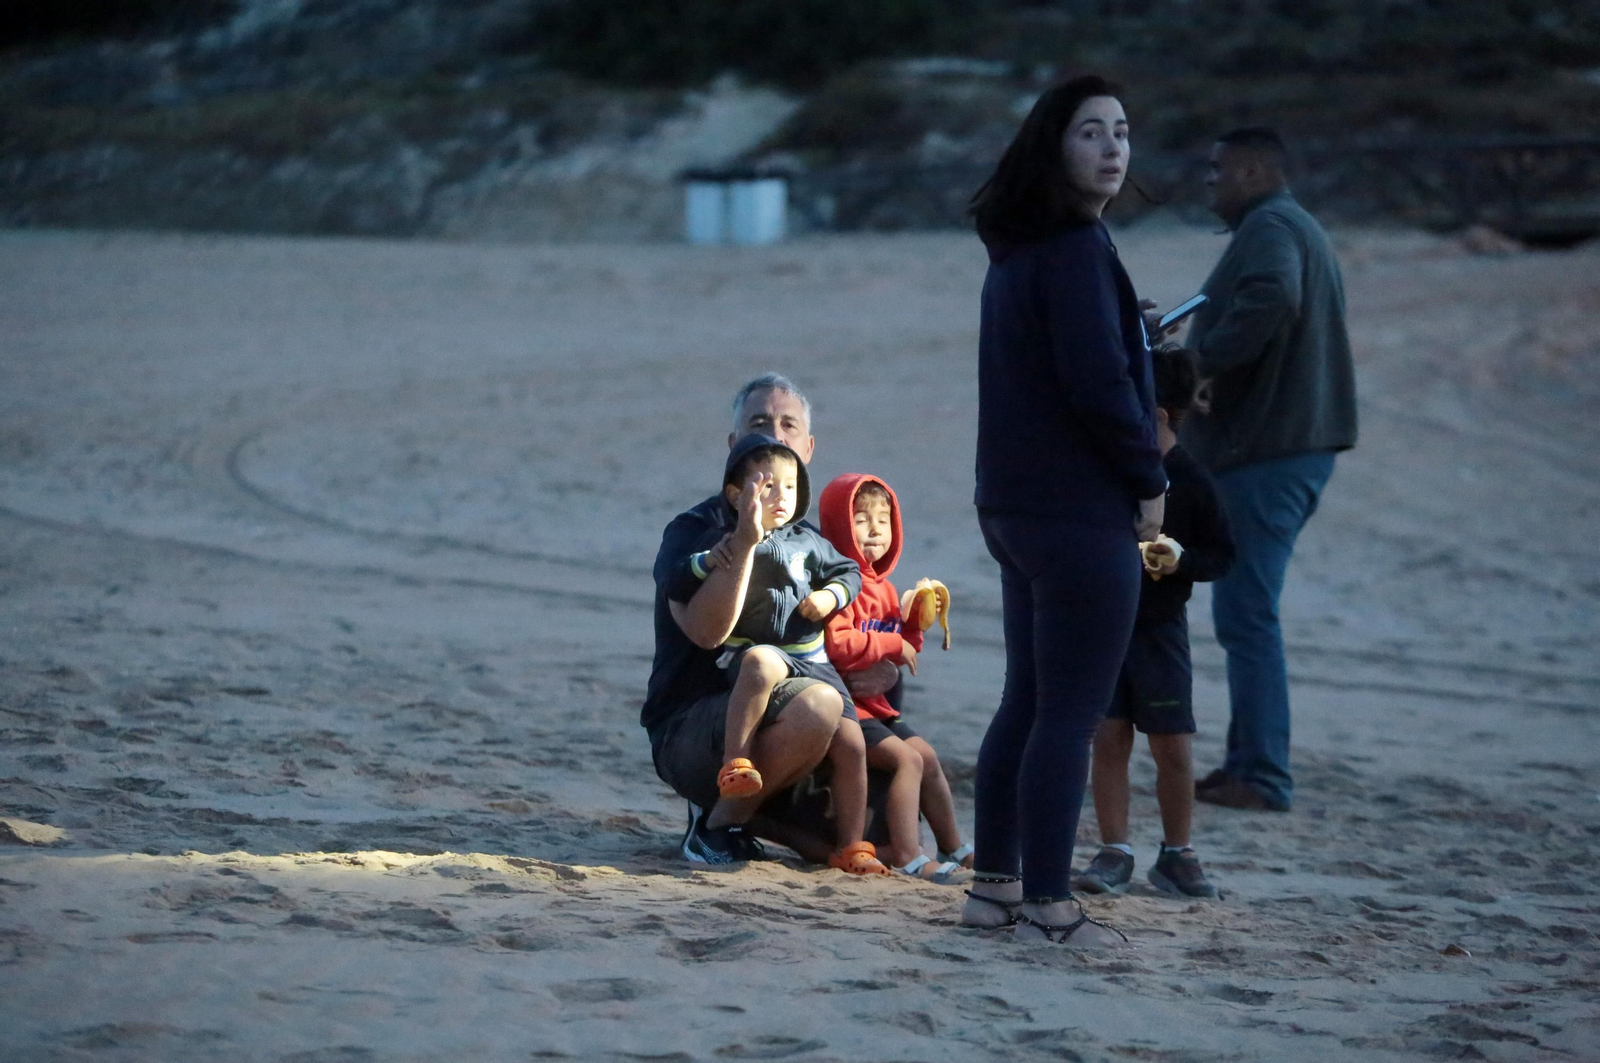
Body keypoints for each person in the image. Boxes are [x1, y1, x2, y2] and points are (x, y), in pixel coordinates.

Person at [961, 75, 1167, 945]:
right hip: (1076, 511)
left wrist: (1129, 333)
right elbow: (1096, 385)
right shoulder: (1076, 249)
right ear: (1055, 146)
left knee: (1028, 701)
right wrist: (1149, 478)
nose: (1114, 147)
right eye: (1090, 133)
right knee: (1067, 714)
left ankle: (993, 889)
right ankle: (1049, 899)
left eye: (1122, 130)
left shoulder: (1020, 252)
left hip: (1012, 507)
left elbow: (1075, 364)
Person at [1181, 127, 1358, 813]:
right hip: (1284, 449)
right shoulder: (1282, 224)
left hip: (1272, 453)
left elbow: (1273, 296)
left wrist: (1203, 362)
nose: (1209, 183)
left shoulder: (1272, 226)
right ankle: (1247, 764)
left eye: (1218, 170)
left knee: (1247, 612)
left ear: (1252, 171)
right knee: (1245, 609)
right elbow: (1256, 298)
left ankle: (1262, 773)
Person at [646, 408, 888, 872]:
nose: (775, 437)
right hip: (691, 727)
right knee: (786, 682)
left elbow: (849, 576)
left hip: (801, 688)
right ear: (735, 451)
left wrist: (871, 647)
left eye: (789, 427)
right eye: (760, 426)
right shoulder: (698, 532)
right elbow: (703, 626)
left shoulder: (807, 540)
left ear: (808, 452)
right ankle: (719, 818)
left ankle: (825, 840)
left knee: (860, 753)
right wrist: (740, 544)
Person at [1075, 344, 1235, 899]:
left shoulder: (1189, 479)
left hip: (1161, 632)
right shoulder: (1116, 471)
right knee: (1109, 736)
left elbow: (1223, 554)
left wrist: (1179, 557)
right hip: (1107, 627)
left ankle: (1177, 852)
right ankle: (1115, 848)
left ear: (1160, 416)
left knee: (1172, 743)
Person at [818, 472, 973, 881]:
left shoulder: (885, 589)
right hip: (849, 713)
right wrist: (893, 647)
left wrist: (917, 621)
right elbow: (839, 645)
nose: (874, 531)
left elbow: (904, 647)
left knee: (927, 755)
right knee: (906, 760)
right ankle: (909, 855)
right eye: (862, 520)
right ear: (838, 525)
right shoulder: (840, 585)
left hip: (879, 710)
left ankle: (956, 846)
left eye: (883, 521)